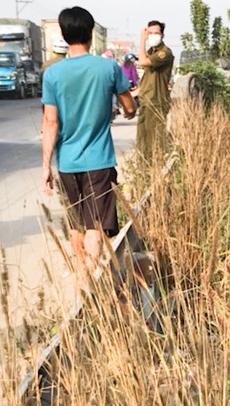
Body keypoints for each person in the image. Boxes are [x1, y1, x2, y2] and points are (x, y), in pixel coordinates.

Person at [40, 6, 136, 273]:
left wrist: (45, 165)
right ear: (91, 33)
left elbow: (50, 122)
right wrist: (129, 111)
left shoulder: (52, 74)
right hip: (98, 161)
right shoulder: (108, 67)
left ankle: (81, 278)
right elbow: (129, 106)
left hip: (67, 163)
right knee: (94, 224)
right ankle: (92, 282)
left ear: (63, 33)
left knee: (75, 224)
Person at [136, 19, 174, 161]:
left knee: (155, 142)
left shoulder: (165, 53)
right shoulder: (151, 52)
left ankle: (157, 172)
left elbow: (143, 62)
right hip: (146, 101)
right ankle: (144, 172)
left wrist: (142, 39)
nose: (152, 36)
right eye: (150, 33)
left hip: (156, 102)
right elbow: (148, 78)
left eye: (156, 33)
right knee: (143, 140)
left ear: (162, 35)